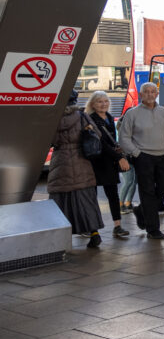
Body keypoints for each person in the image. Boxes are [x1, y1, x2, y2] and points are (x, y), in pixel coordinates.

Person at [118, 82, 164, 240]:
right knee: (147, 192)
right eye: (146, 92)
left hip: (163, 156)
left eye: (153, 92)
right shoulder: (132, 113)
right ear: (141, 95)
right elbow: (123, 138)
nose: (150, 94)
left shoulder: (163, 112)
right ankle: (153, 229)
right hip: (143, 157)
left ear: (157, 93)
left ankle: (141, 211)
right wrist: (137, 153)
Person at [48, 90, 105, 248]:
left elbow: (50, 140)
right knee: (85, 199)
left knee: (60, 199)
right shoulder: (81, 116)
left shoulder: (53, 118)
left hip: (61, 162)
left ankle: (60, 236)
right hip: (81, 161)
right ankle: (94, 233)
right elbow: (97, 134)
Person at [85, 91, 130, 238]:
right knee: (92, 197)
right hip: (95, 162)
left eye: (106, 101)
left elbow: (112, 142)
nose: (103, 104)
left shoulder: (110, 118)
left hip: (109, 162)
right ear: (93, 104)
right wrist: (119, 158)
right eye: (99, 101)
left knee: (113, 195)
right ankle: (91, 228)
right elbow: (101, 143)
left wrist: (119, 155)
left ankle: (117, 226)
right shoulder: (90, 119)